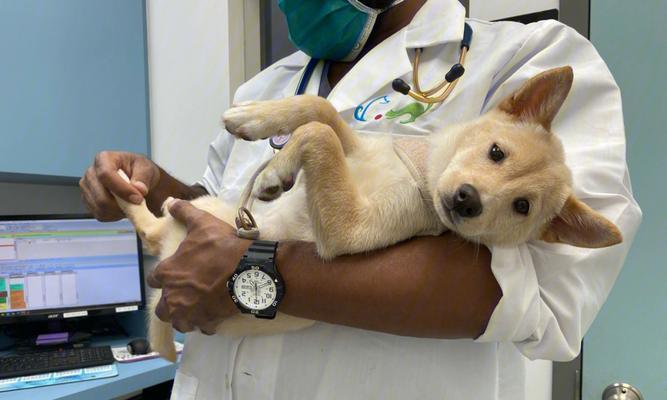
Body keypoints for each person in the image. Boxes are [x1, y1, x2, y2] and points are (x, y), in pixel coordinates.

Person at [80, 0, 641, 399]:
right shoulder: (269, 87)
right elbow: (235, 215)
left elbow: (526, 293)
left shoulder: (526, 59)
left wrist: (250, 277)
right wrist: (161, 190)